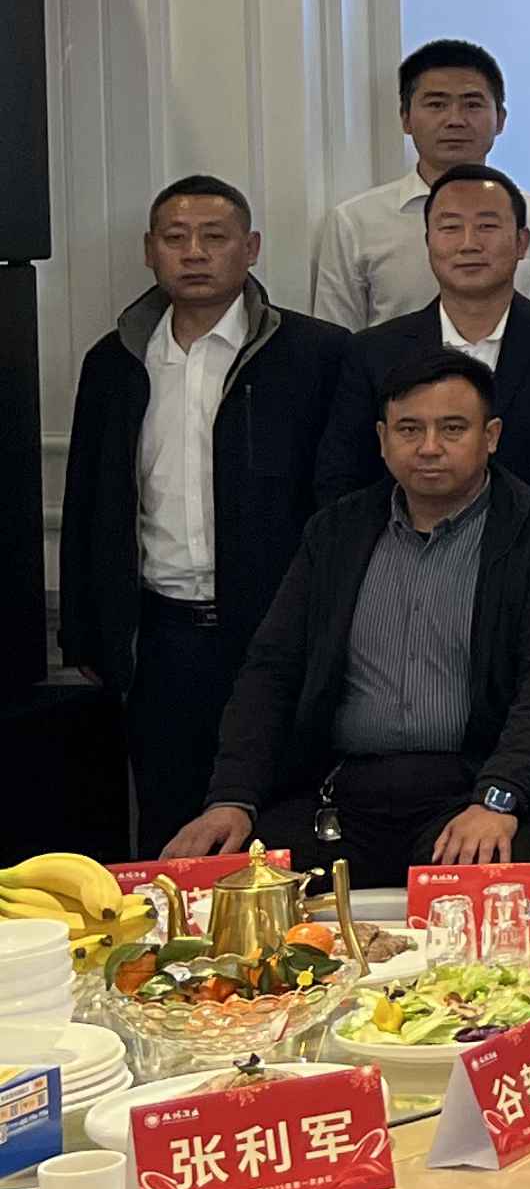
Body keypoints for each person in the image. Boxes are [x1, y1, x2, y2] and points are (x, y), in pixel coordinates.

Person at [174, 354, 530, 871]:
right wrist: (232, 797)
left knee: (487, 893)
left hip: (473, 790)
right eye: (409, 429)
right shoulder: (335, 533)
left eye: (452, 429)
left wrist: (499, 799)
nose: (429, 447)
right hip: (341, 796)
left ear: (490, 436)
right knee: (234, 886)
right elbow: (272, 672)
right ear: (382, 439)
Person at [62, 175, 356, 835]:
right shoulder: (114, 361)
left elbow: (341, 499)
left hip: (277, 628)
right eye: (175, 238)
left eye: (214, 237)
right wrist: (84, 627)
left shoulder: (317, 353)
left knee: (281, 816)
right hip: (161, 635)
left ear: (250, 248)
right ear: (150, 251)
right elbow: (87, 499)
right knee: (169, 814)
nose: (193, 252)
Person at [314, 164, 530, 540]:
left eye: (487, 226)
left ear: (522, 243)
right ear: (428, 242)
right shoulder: (375, 351)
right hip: (406, 552)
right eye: (450, 228)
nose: (469, 244)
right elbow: (343, 474)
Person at [311, 39, 530, 327]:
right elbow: (336, 338)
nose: (455, 120)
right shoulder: (354, 223)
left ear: (500, 119)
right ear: (405, 119)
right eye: (436, 104)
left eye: (472, 104)